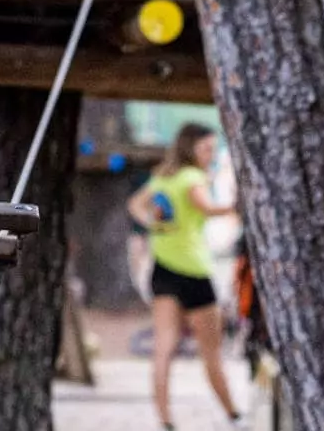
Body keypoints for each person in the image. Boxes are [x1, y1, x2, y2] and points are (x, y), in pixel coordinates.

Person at [126, 122, 243, 430]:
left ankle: (165, 419)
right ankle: (233, 415)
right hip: (194, 271)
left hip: (162, 269)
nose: (210, 155)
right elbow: (205, 208)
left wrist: (153, 224)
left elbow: (135, 205)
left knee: (163, 346)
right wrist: (236, 208)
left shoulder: (163, 177)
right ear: (190, 148)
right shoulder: (193, 177)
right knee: (211, 352)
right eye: (206, 149)